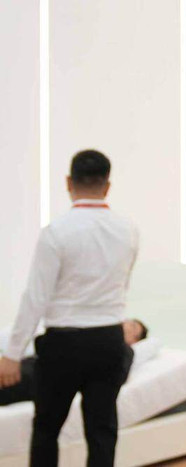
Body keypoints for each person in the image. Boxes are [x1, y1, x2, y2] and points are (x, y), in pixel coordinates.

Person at [0, 149, 139, 467]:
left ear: (68, 182)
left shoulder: (56, 232)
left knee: (46, 430)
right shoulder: (129, 231)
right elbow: (122, 286)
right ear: (107, 185)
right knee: (102, 431)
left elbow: (35, 298)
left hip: (64, 345)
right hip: (108, 341)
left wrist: (12, 354)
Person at [0, 319, 148, 407]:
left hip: (47, 375)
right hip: (36, 363)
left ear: (134, 340)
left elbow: (117, 376)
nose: (126, 322)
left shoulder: (125, 350)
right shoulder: (94, 335)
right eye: (127, 320)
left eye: (133, 326)